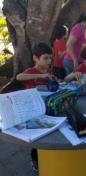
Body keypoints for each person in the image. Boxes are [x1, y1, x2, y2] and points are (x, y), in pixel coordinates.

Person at [16, 42, 53, 172]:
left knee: (47, 135)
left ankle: (48, 157)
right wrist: (40, 75)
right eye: (45, 58)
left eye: (50, 57)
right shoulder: (32, 71)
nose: (49, 61)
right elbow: (19, 77)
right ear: (35, 58)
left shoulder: (48, 70)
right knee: (37, 140)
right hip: (34, 111)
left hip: (46, 108)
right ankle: (35, 160)